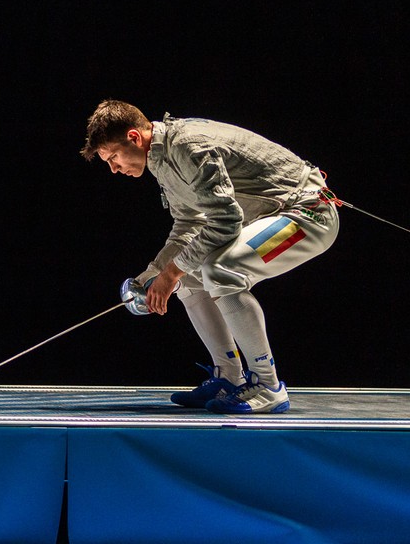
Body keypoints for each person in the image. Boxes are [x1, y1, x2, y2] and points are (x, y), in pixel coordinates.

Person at [81, 100, 339, 413]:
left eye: (114, 157)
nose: (114, 169)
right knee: (189, 280)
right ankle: (230, 377)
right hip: (275, 216)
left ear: (135, 138)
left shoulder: (187, 146)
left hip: (308, 215)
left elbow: (226, 221)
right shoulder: (162, 160)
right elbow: (189, 226)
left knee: (221, 269)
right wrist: (153, 275)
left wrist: (169, 273)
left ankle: (268, 386)